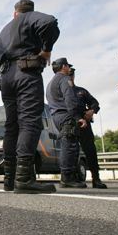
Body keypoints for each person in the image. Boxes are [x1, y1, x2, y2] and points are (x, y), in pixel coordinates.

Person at [0, 0, 58, 194]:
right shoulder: (30, 18)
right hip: (27, 74)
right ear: (27, 12)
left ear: (14, 13)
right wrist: (46, 50)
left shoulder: (4, 30)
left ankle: (9, 179)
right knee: (30, 123)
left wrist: (5, 72)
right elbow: (50, 22)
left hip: (7, 79)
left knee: (12, 126)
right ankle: (24, 178)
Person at [46, 58, 87, 188]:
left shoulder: (51, 82)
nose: (69, 69)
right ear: (64, 66)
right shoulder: (64, 79)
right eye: (68, 66)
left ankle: (70, 176)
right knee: (69, 146)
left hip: (56, 116)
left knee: (68, 144)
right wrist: (77, 117)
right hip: (66, 116)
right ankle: (67, 177)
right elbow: (69, 98)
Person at [69, 68, 107, 189]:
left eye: (71, 75)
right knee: (71, 152)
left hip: (84, 124)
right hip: (70, 123)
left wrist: (92, 111)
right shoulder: (62, 91)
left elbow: (95, 103)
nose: (69, 77)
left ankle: (96, 178)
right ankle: (73, 178)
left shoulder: (81, 91)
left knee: (90, 151)